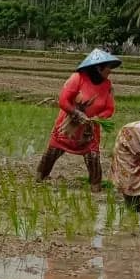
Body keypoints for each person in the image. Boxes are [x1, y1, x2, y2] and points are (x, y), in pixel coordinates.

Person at [37, 48, 119, 192]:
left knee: (93, 157)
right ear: (98, 68)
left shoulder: (107, 86)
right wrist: (77, 114)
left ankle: (96, 187)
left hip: (89, 130)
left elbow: (109, 108)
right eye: (108, 67)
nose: (110, 70)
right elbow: (63, 101)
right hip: (68, 127)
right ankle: (39, 178)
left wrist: (98, 118)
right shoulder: (78, 78)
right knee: (52, 153)